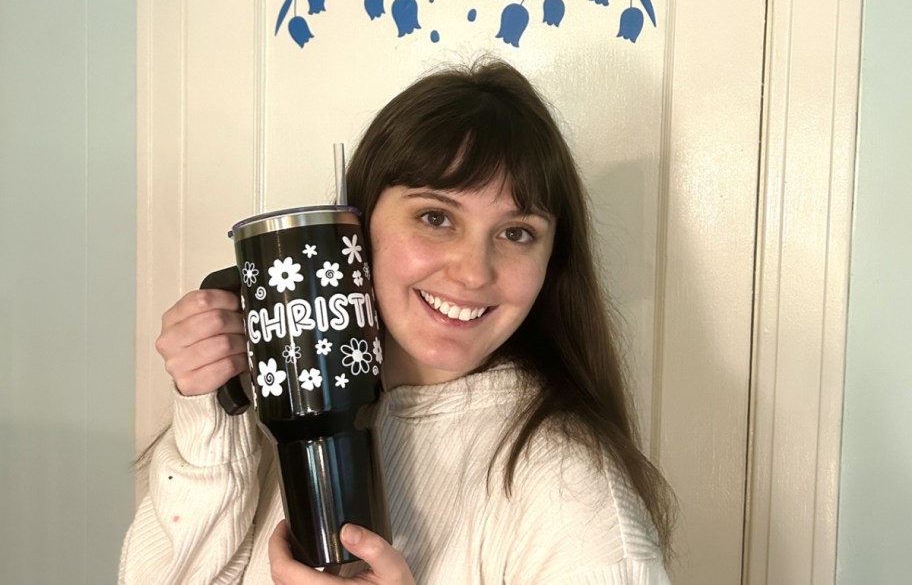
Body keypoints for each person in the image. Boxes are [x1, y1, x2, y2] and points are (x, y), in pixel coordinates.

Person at [120, 57, 676, 584]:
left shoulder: (573, 491)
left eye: (516, 232)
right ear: (357, 228)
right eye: (436, 217)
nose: (472, 273)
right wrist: (211, 410)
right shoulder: (293, 400)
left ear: (551, 259)